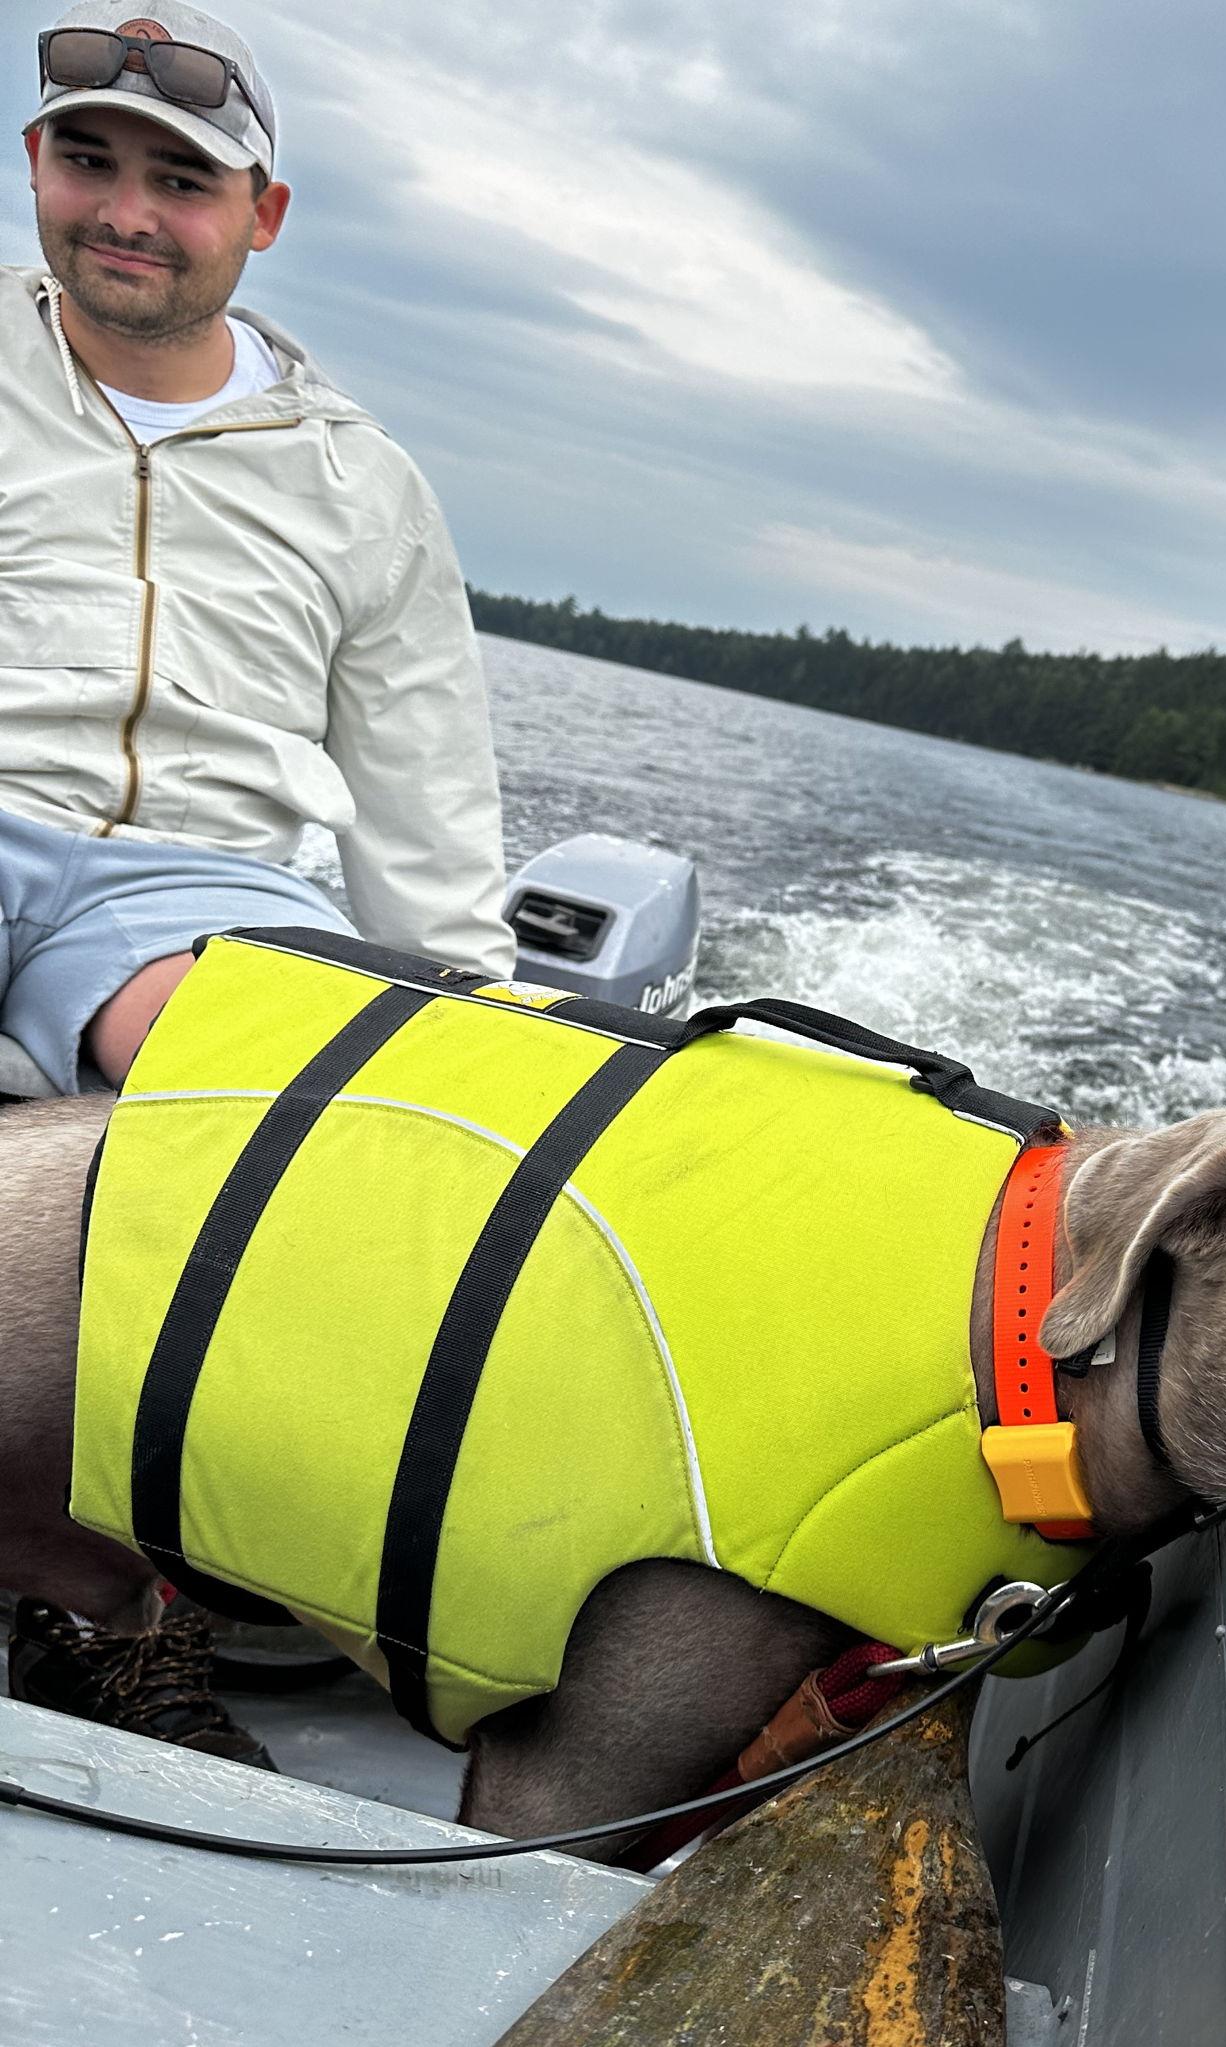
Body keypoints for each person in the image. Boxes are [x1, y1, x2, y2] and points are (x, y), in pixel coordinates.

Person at [4, 2, 518, 1766]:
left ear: (262, 216)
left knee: (282, 1135)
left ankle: (120, 1600)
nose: (125, 212)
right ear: (35, 166)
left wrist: (465, 1043)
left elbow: (426, 795)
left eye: (181, 182)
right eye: (89, 162)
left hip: (187, 883)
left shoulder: (363, 483)